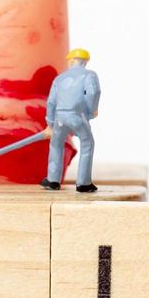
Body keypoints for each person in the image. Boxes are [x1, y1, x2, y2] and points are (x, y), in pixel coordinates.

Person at [42, 48, 102, 193]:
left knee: (56, 145)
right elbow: (93, 92)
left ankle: (52, 180)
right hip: (77, 116)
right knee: (87, 144)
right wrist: (91, 111)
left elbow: (51, 102)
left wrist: (50, 124)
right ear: (84, 62)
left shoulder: (59, 78)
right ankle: (83, 183)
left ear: (73, 61)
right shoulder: (89, 75)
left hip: (59, 118)